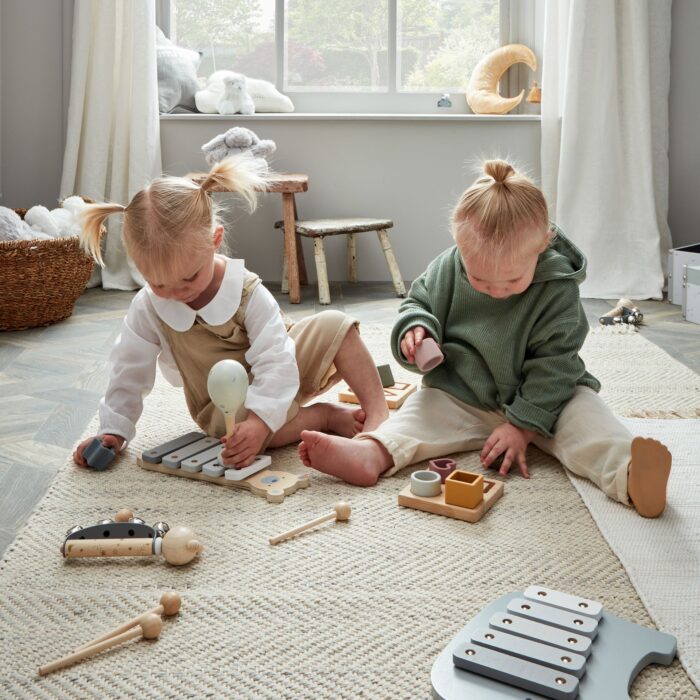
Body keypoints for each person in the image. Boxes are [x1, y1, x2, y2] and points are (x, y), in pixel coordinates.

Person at [299, 159, 672, 518]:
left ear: (543, 245)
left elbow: (555, 365)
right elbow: (418, 302)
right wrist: (416, 329)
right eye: (479, 280)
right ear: (459, 247)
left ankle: (630, 475)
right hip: (462, 392)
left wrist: (523, 425)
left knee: (590, 425)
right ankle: (370, 454)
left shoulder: (558, 290)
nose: (496, 291)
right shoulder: (449, 265)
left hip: (546, 396)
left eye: (511, 282)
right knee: (412, 420)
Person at [73, 154, 389, 469]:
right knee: (236, 429)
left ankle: (377, 414)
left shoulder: (246, 292)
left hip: (282, 370)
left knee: (337, 324)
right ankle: (322, 416)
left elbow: (277, 359)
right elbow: (128, 370)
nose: (176, 294)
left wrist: (263, 421)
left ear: (215, 240)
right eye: (158, 283)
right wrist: (113, 430)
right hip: (224, 405)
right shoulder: (148, 306)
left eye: (189, 278)